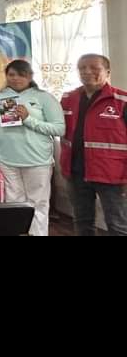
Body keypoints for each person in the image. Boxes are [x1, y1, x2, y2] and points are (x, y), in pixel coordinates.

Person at [0, 59, 66, 237]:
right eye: (11, 74)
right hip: (7, 160)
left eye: (21, 75)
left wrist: (29, 120)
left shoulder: (44, 97)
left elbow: (59, 129)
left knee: (38, 203)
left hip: (38, 160)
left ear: (30, 76)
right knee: (13, 203)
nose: (16, 78)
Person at [60, 54, 127, 236]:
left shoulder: (122, 101)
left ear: (108, 72)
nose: (87, 72)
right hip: (76, 173)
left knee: (118, 225)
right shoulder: (68, 99)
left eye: (94, 68)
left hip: (113, 176)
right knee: (82, 222)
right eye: (82, 68)